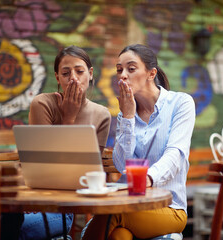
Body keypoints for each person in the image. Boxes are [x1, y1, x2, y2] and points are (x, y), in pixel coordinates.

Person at [82, 44, 195, 240]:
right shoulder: (127, 113)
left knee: (113, 213)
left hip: (169, 209)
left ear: (151, 73)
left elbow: (175, 155)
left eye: (131, 69)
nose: (122, 75)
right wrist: (127, 117)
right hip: (130, 205)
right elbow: (121, 165)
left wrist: (147, 179)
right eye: (119, 70)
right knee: (119, 235)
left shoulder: (181, 103)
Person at [1, 45, 111, 240]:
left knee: (11, 229)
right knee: (10, 221)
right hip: (31, 199)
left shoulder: (101, 115)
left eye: (79, 71)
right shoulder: (42, 103)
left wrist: (69, 117)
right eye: (66, 73)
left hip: (63, 209)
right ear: (58, 78)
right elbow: (42, 170)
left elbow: (84, 175)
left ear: (91, 74)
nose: (73, 78)